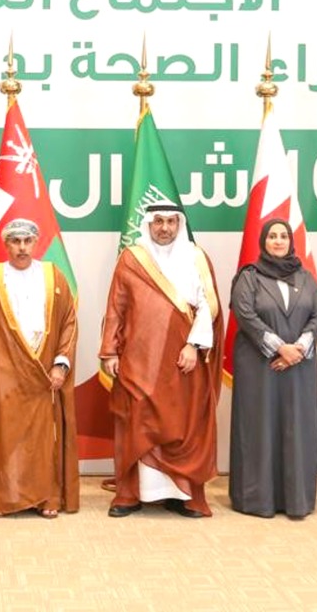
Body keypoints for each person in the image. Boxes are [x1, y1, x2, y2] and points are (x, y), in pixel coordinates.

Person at [99, 203, 224, 518]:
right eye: (158, 222)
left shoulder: (196, 257)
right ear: (148, 224)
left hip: (183, 360)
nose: (164, 228)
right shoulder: (132, 258)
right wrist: (110, 351)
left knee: (184, 424)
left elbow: (208, 307)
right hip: (138, 360)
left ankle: (183, 495)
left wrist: (194, 345)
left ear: (179, 224)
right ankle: (131, 494)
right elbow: (117, 306)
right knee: (136, 422)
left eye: (170, 221)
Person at [0, 218, 79, 518]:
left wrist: (60, 364)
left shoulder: (54, 277)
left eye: (27, 241)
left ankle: (45, 497)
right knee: (5, 436)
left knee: (41, 441)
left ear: (36, 242)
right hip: (3, 375)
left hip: (43, 376)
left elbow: (69, 323)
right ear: (6, 244)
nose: (22, 248)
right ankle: (7, 497)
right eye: (15, 241)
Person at [228, 218, 317, 519]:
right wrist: (278, 347)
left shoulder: (306, 277)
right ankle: (257, 500)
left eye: (284, 236)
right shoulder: (250, 277)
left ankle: (296, 500)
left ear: (291, 241)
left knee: (297, 428)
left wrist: (298, 349)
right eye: (272, 236)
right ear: (263, 242)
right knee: (260, 428)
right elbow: (244, 314)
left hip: (299, 367)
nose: (279, 241)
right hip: (259, 366)